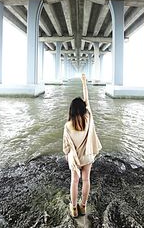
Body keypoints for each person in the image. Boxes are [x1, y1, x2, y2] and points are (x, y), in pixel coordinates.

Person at [63, 73, 102, 218]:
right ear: (84, 109)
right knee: (86, 180)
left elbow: (66, 146)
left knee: (74, 180)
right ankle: (83, 206)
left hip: (75, 158)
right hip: (88, 155)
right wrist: (84, 82)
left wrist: (67, 156)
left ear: (71, 111)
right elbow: (87, 100)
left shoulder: (68, 125)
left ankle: (73, 208)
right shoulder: (89, 118)